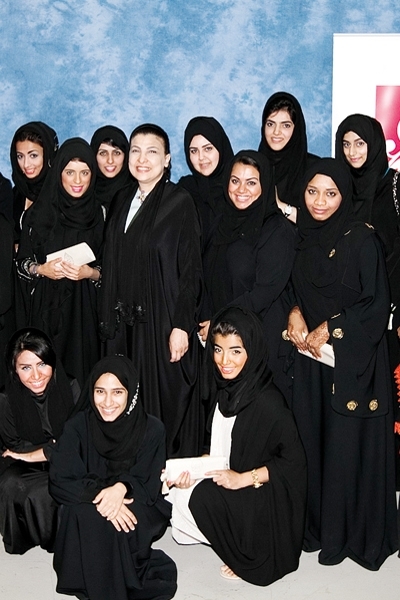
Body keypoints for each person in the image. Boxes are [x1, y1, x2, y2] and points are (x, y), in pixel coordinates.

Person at [286, 158, 398, 569]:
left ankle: (350, 536)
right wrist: (294, 312)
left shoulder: (362, 239)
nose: (320, 201)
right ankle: (317, 529)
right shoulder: (301, 237)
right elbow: (291, 287)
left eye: (331, 193)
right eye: (312, 192)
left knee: (347, 449)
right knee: (313, 444)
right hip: (312, 363)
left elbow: (376, 304)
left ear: (344, 196)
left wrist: (332, 327)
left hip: (355, 363)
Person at [166, 306, 307, 585]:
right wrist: (194, 468)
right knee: (178, 492)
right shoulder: (226, 390)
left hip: (262, 500)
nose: (224, 361)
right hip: (235, 487)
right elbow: (220, 448)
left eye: (235, 351)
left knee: (199, 498)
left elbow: (295, 464)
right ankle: (234, 544)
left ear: (251, 352)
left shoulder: (269, 403)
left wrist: (243, 478)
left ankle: (246, 552)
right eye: (218, 350)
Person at [99, 123, 203, 458]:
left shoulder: (179, 202)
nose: (142, 159)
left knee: (159, 405)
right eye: (136, 151)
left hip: (161, 322)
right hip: (122, 326)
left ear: (167, 159)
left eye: (152, 152)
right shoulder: (121, 199)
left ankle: (158, 472)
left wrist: (181, 326)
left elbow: (191, 272)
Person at [49, 355, 177, 600]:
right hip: (90, 495)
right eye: (100, 391)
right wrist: (103, 496)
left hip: (137, 498)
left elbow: (149, 483)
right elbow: (60, 478)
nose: (107, 402)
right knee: (85, 512)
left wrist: (121, 488)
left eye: (117, 392)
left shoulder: (152, 428)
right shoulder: (78, 426)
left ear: (131, 394)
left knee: (111, 519)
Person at [199, 150, 296, 400]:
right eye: (235, 180)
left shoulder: (277, 230)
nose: (241, 189)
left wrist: (218, 322)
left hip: (259, 340)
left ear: (265, 186)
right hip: (223, 342)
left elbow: (264, 292)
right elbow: (208, 277)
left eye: (251, 182)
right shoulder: (221, 222)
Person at [16, 138, 104, 386]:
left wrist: (89, 273)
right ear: (58, 173)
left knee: (82, 379)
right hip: (45, 309)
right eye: (70, 172)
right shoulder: (37, 213)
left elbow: (109, 270)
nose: (77, 180)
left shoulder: (100, 214)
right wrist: (41, 269)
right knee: (44, 377)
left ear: (92, 174)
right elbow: (21, 263)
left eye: (84, 172)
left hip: (84, 313)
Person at [0, 328, 77, 554]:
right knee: (12, 484)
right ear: (15, 370)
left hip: (66, 457)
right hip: (26, 463)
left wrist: (53, 450)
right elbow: (15, 446)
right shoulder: (5, 398)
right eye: (25, 367)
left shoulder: (70, 386)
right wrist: (52, 447)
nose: (36, 376)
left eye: (42, 364)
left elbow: (78, 437)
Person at [258, 91, 318, 221]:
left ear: (296, 129)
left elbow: (322, 224)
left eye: (286, 125)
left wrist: (280, 206)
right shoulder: (254, 167)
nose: (276, 132)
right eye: (270, 124)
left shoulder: (315, 169)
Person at [179, 116, 233, 250]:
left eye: (208, 149)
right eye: (194, 151)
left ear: (220, 147)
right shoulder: (184, 190)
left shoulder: (239, 189)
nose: (201, 157)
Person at [10, 121, 58, 238]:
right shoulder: (15, 194)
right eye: (20, 156)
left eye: (33, 155)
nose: (26, 164)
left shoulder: (59, 195)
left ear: (48, 155)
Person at [90, 125, 134, 217]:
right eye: (103, 153)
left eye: (117, 153)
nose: (110, 160)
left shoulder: (136, 193)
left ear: (126, 155)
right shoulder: (84, 191)